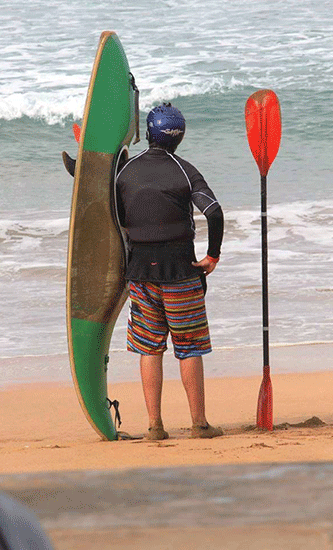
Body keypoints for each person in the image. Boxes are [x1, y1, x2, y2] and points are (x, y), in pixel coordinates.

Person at [116, 103, 224, 440]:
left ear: (149, 133)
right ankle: (199, 424)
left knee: (149, 348)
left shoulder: (124, 171)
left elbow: (115, 217)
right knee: (188, 346)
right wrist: (212, 256)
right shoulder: (184, 170)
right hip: (180, 273)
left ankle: (155, 427)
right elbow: (214, 212)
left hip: (140, 274)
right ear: (179, 137)